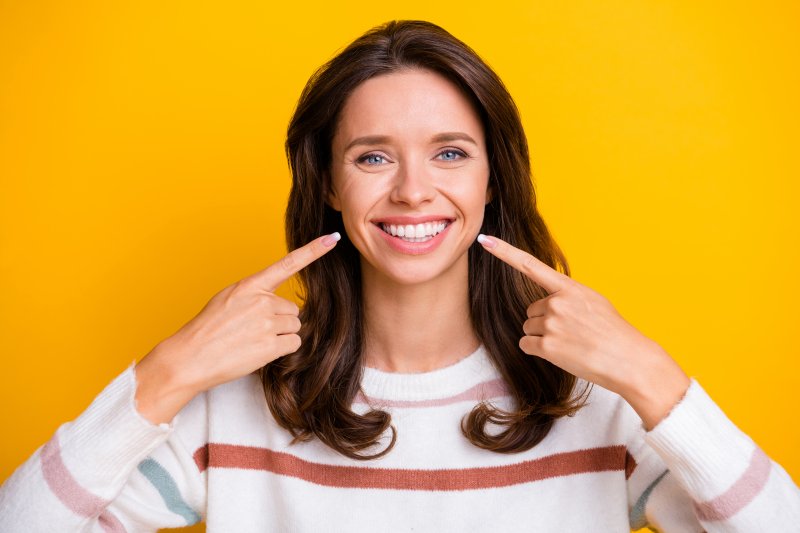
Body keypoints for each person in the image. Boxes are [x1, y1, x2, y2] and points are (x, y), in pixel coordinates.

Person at [0, 19, 798, 532]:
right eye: (373, 156)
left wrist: (655, 379)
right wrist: (166, 372)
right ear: (329, 186)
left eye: (450, 152)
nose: (414, 190)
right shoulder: (239, 408)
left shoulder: (592, 404)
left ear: (493, 181)